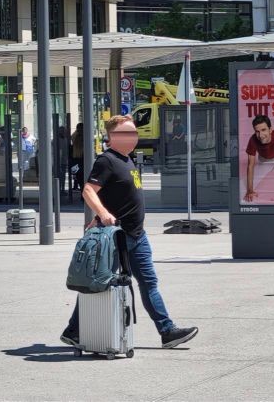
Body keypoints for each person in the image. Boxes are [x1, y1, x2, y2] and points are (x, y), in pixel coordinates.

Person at [60, 115, 199, 349]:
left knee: (149, 283)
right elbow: (88, 191)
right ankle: (74, 330)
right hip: (115, 237)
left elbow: (117, 194)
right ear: (112, 137)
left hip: (136, 235)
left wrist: (102, 211)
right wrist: (102, 214)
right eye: (126, 133)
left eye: (133, 133)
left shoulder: (127, 160)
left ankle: (167, 332)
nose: (132, 137)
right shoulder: (107, 160)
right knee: (97, 282)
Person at [243, 115, 274, 203]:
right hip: (263, 158)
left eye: (263, 130)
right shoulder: (253, 139)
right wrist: (250, 190)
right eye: (257, 131)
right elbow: (250, 166)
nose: (261, 135)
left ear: (270, 130)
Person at [71, 123, 84, 190]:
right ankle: (81, 189)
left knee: (79, 176)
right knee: (79, 176)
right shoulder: (76, 136)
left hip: (80, 159)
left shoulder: (76, 135)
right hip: (78, 159)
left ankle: (82, 189)